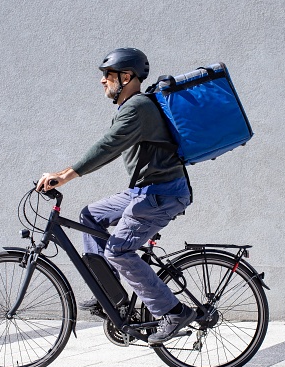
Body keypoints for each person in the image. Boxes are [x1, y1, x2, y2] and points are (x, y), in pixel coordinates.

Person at [36, 48, 195, 344]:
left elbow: (107, 147)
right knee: (90, 216)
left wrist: (64, 175)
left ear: (126, 77)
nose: (102, 81)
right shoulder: (132, 107)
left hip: (162, 193)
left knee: (118, 250)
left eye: (107, 75)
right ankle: (110, 295)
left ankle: (172, 311)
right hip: (144, 190)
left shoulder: (138, 108)